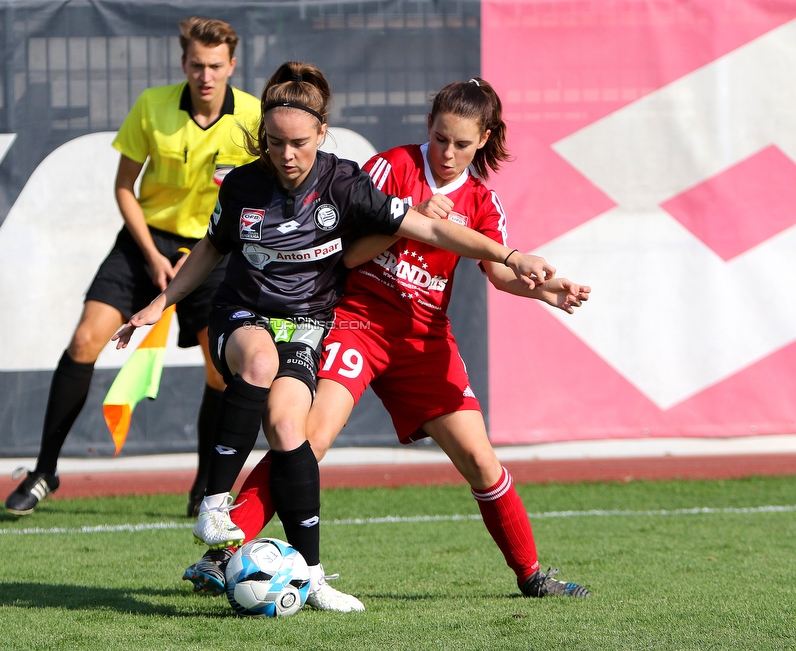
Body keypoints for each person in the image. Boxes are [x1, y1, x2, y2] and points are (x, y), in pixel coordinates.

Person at [113, 63, 556, 611]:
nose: (446, 151)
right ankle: (221, 552)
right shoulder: (389, 168)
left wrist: (537, 285)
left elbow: (497, 269)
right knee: (305, 433)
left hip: (423, 339)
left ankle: (532, 573)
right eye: (439, 137)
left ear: (483, 140)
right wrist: (404, 218)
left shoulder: (482, 203)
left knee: (481, 459)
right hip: (356, 319)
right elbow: (344, 249)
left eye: (461, 144)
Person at [5, 17, 261, 517]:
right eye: (195, 65)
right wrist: (153, 256)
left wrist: (204, 255)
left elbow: (258, 196)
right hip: (145, 241)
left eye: (215, 66)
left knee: (220, 371)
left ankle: (205, 487)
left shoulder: (253, 116)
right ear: (182, 63)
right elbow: (125, 187)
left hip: (214, 249)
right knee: (83, 341)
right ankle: (44, 471)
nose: (204, 76)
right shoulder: (152, 106)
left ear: (232, 65)